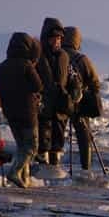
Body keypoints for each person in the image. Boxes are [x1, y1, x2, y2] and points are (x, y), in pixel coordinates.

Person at [0, 32, 43, 187]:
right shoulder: (26, 65)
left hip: (10, 112)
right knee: (31, 147)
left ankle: (23, 179)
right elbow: (38, 86)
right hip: (27, 111)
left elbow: (0, 89)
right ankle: (14, 172)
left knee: (21, 146)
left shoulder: (2, 66)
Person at [62, 26, 102, 172]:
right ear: (77, 40)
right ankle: (86, 167)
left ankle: (52, 166)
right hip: (79, 104)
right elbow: (95, 82)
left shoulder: (56, 55)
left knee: (56, 135)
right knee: (84, 137)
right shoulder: (82, 59)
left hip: (58, 102)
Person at [36, 18, 72, 166]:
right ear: (46, 38)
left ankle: (54, 166)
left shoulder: (64, 56)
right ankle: (41, 168)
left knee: (58, 138)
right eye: (54, 38)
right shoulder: (38, 55)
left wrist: (73, 92)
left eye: (59, 38)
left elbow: (70, 76)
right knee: (43, 136)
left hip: (60, 103)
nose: (57, 41)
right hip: (43, 103)